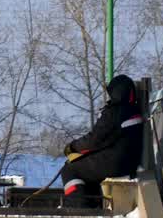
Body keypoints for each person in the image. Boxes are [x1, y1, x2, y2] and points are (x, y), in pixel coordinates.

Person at [60, 74, 144, 205]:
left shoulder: (114, 112)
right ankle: (93, 206)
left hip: (115, 163)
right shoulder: (134, 110)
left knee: (69, 170)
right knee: (88, 173)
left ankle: (79, 210)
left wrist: (73, 148)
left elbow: (94, 140)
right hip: (130, 163)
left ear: (117, 92)